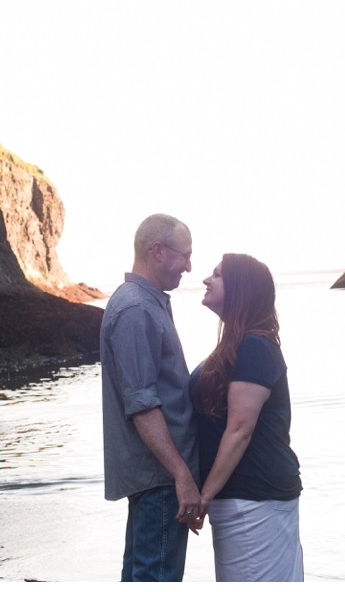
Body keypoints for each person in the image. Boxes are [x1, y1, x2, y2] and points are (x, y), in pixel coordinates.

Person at [189, 253, 304, 582]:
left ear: (241, 289)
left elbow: (240, 429)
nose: (206, 279)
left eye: (217, 275)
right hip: (243, 498)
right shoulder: (237, 345)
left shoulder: (254, 347)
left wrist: (204, 496)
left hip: (256, 498)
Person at [100, 213, 201, 581]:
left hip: (157, 475)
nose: (189, 266)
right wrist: (182, 475)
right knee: (155, 577)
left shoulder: (146, 303)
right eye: (185, 255)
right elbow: (142, 405)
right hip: (160, 477)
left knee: (142, 576)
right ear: (157, 251)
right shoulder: (136, 309)